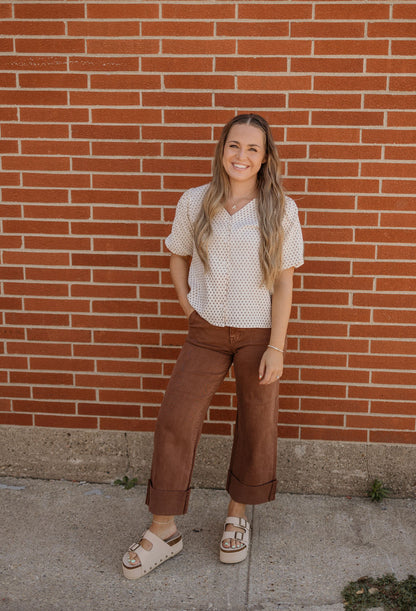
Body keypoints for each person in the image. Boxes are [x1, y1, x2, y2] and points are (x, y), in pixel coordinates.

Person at [122, 113, 304, 579]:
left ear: (265, 159)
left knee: (256, 419)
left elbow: (284, 284)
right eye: (234, 146)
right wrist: (188, 306)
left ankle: (237, 515)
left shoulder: (280, 207)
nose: (242, 156)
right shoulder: (194, 201)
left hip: (257, 333)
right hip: (205, 332)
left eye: (253, 149)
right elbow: (177, 254)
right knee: (176, 417)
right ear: (222, 150)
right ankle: (164, 529)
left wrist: (277, 347)